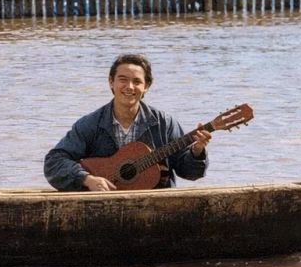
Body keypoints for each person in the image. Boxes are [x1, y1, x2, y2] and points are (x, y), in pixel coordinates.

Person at [44, 54, 211, 191]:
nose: (129, 87)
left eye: (137, 81)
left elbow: (189, 173)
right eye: (123, 79)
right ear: (111, 82)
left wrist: (197, 152)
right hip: (103, 207)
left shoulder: (164, 124)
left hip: (156, 206)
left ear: (146, 87)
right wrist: (87, 178)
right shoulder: (91, 124)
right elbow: (54, 162)